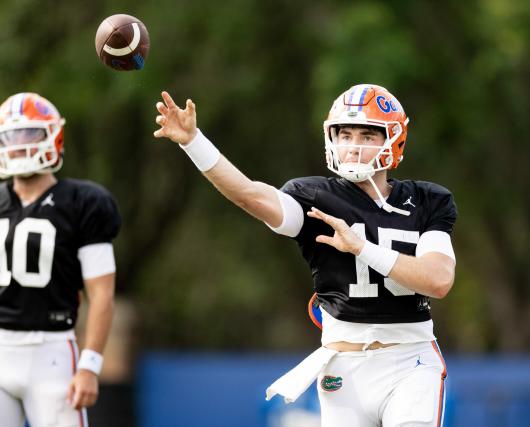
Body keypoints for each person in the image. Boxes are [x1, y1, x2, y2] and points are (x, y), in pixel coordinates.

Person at [154, 83, 457, 427]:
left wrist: (361, 248)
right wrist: (194, 142)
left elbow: (438, 280)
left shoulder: (428, 200)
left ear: (394, 140)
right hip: (343, 369)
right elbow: (250, 196)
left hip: (410, 364)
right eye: (344, 134)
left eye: (367, 136)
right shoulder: (314, 197)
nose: (353, 146)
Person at [0, 92, 121, 427]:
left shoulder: (83, 202)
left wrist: (89, 365)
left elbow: (101, 294)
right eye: (11, 137)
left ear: (53, 136)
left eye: (29, 135)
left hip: (51, 352)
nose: (19, 146)